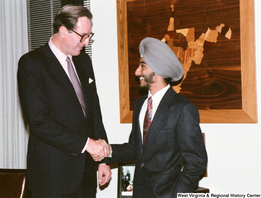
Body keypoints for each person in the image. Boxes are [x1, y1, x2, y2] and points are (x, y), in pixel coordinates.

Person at [17, 5, 111, 198]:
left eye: (89, 36)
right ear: (63, 31)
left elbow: (94, 112)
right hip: (52, 177)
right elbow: (38, 121)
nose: (86, 42)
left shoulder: (84, 62)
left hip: (85, 176)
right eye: (83, 36)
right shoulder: (31, 64)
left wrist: (103, 159)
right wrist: (86, 144)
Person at [107, 37, 208, 197]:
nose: (136, 72)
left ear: (158, 69)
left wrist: (177, 193)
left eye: (142, 66)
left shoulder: (183, 108)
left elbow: (197, 162)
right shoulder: (140, 104)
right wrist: (106, 151)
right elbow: (136, 149)